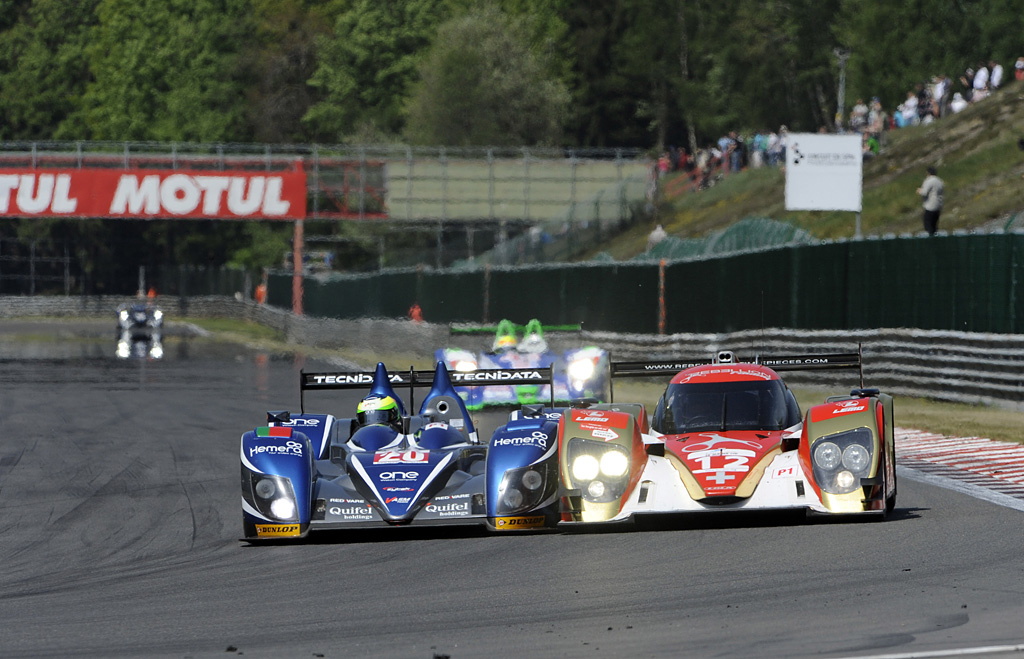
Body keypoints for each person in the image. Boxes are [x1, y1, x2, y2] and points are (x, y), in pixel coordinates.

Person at [916, 166, 944, 236]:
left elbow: (924, 192)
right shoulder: (939, 181)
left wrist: (919, 190)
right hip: (938, 205)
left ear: (928, 173)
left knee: (928, 225)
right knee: (935, 226)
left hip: (930, 206)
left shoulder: (929, 181)